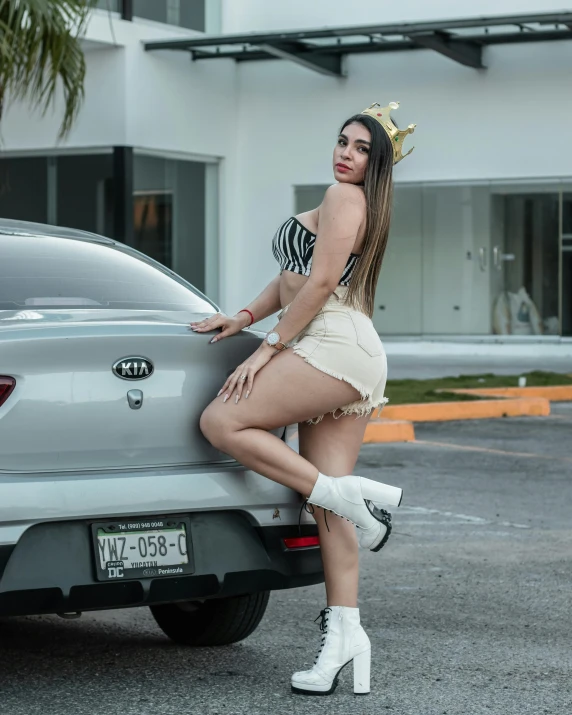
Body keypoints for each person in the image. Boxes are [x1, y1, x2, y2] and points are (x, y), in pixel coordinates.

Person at [191, 101, 416, 696]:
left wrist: (265, 349)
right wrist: (243, 315)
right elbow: (293, 275)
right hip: (338, 346)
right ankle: (345, 636)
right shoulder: (344, 197)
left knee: (223, 421)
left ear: (378, 164)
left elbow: (319, 285)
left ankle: (353, 501)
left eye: (362, 149)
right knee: (327, 507)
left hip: (332, 344)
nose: (346, 153)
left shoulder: (348, 200)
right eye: (343, 141)